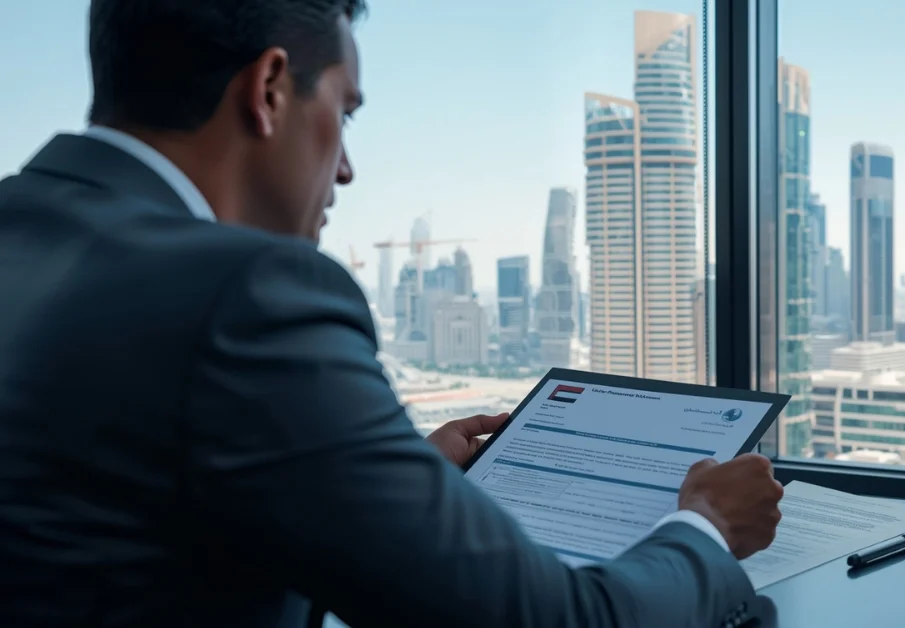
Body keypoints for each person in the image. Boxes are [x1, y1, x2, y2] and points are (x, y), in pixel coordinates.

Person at [0, 1, 785, 627]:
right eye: (345, 113)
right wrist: (706, 529)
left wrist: (383, 480)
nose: (344, 167)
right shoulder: (249, 295)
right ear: (269, 89)